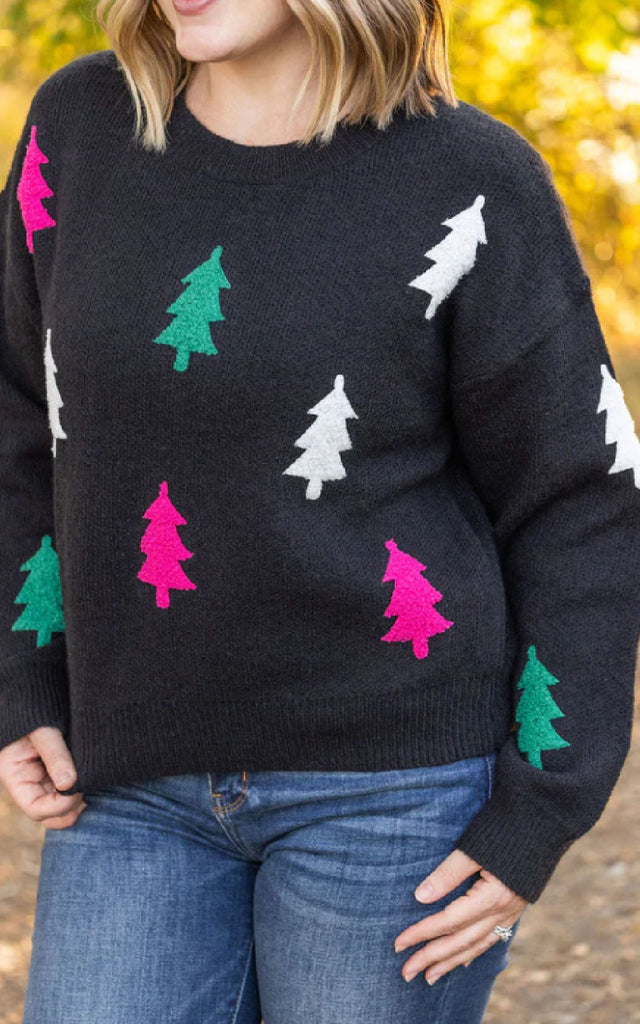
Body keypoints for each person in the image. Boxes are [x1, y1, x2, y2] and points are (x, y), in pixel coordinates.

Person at [0, 0, 638, 1020]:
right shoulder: (77, 130)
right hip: (126, 781)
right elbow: (17, 415)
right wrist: (20, 675)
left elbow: (578, 498)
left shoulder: (472, 179)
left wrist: (542, 809)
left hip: (394, 798)